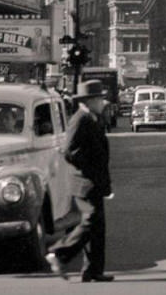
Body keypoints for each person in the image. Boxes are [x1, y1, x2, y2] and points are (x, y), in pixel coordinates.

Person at [47, 80, 115, 283]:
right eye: (100, 99)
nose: (103, 102)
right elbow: (69, 151)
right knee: (90, 220)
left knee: (98, 226)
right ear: (91, 100)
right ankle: (59, 254)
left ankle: (92, 270)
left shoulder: (94, 118)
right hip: (84, 181)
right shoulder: (80, 119)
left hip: (95, 181)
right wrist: (88, 167)